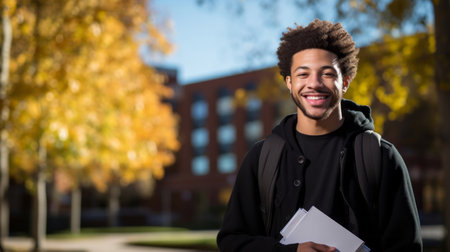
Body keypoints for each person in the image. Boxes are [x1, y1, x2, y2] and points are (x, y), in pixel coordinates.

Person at [216, 19, 422, 252]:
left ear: (344, 82)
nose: (314, 84)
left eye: (326, 73)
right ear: (289, 83)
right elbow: (232, 242)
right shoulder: (261, 157)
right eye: (303, 74)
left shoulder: (381, 157)